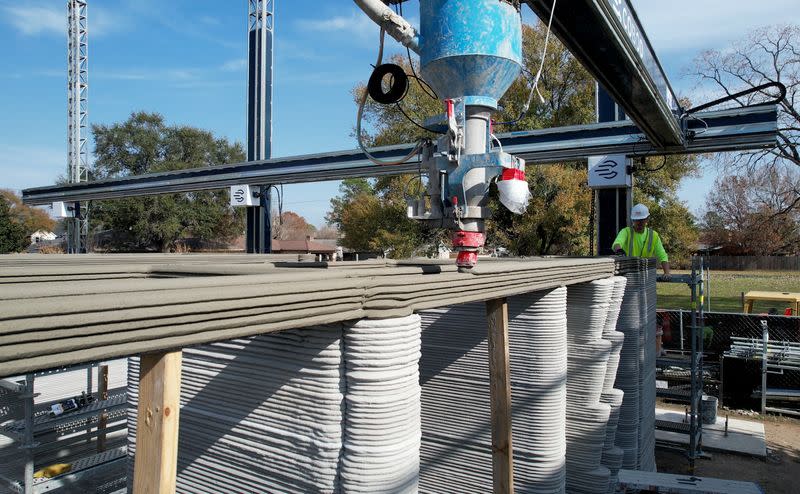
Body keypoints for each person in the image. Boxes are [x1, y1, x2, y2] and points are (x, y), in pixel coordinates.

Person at [612, 203, 671, 278]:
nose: (639, 223)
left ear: (647, 219)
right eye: (637, 220)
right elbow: (617, 243)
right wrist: (619, 250)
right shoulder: (626, 232)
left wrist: (667, 272)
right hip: (628, 274)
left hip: (645, 275)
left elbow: (662, 255)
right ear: (633, 220)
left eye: (642, 220)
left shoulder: (653, 235)